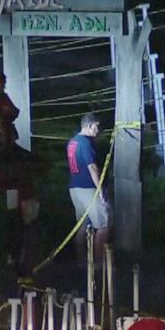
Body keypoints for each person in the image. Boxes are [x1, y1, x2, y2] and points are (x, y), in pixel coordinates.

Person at [66, 113, 110, 269]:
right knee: (103, 225)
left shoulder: (72, 142)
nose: (98, 130)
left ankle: (81, 261)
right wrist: (100, 190)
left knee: (82, 225)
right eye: (97, 127)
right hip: (88, 188)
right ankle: (97, 263)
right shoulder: (85, 143)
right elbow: (92, 167)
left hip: (74, 188)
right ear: (90, 125)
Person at [0, 73, 19, 152]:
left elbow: (15, 111)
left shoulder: (3, 97)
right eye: (3, 83)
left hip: (5, 128)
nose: (4, 86)